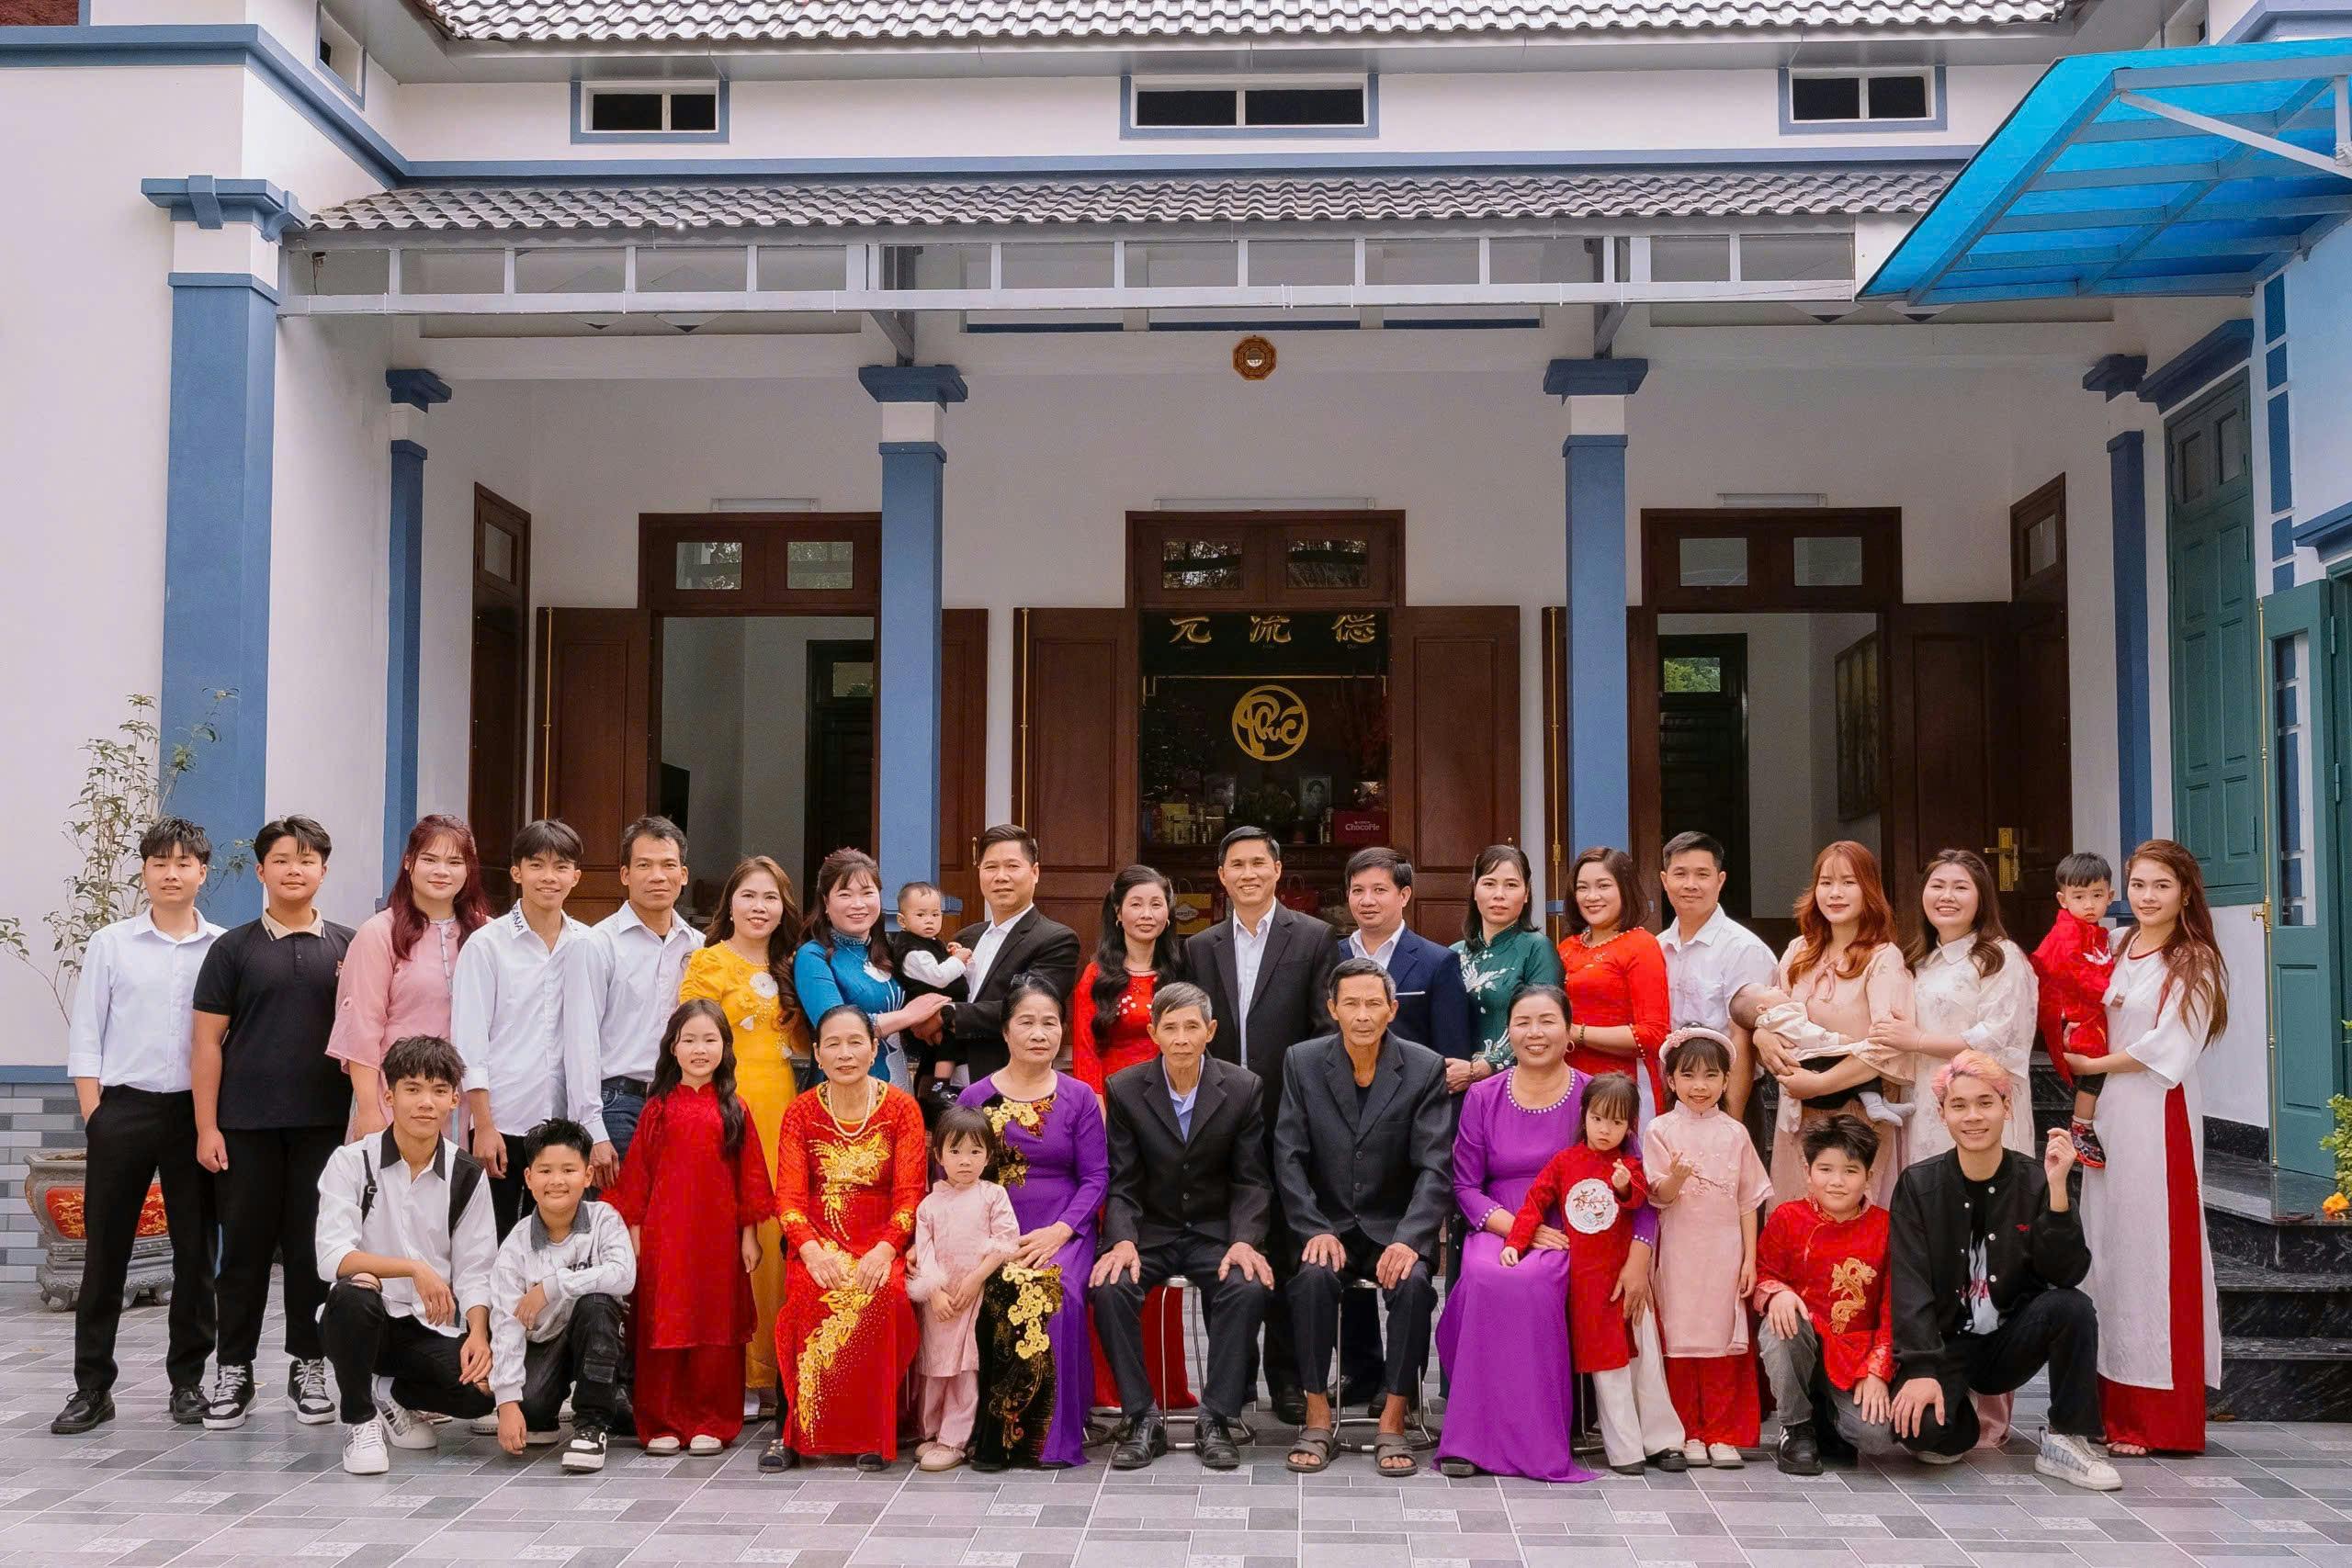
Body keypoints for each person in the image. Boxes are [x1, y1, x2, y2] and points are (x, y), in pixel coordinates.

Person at [1437, 987, 1668, 1483]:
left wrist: (1639, 1255)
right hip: (1502, 1221)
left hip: (1579, 1231)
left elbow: (1639, 1182)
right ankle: (1469, 1438)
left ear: (1568, 1032)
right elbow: (1463, 1185)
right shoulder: (1483, 1095)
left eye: (1547, 1021)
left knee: (1536, 1283)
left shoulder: (1597, 1095)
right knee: (1482, 1276)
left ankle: (1540, 1437)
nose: (1534, 1033)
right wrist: (1516, 1228)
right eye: (1522, 1022)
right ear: (1508, 1031)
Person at [53, 817, 223, 1437]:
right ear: (145, 871)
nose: (171, 873)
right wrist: (96, 1113)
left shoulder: (222, 946)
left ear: (203, 871)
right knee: (106, 1254)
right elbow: (87, 1032)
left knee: (195, 1255)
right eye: (160, 862)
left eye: (183, 862)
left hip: (193, 1115)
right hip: (122, 1110)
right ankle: (92, 1386)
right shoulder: (111, 943)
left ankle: (187, 1383)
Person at [1886, 1052, 2120, 1490]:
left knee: (2071, 1306)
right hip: (1946, 1344)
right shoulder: (1919, 1185)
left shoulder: (2034, 1180)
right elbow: (1909, 1282)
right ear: (1942, 1115)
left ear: (2006, 1107)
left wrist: (2056, 1194)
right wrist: (1919, 1369)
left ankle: (2067, 1439)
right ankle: (1961, 1414)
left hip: (2010, 1339)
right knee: (1927, 1439)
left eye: (1985, 1103)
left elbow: (2066, 1272)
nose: (1973, 1116)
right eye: (1959, 1105)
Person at [192, 814, 356, 1430]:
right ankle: (232, 1367)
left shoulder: (349, 945)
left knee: (316, 1249)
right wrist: (207, 1126)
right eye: (282, 859)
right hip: (245, 1128)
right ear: (261, 870)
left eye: (307, 859)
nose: (295, 869)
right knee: (244, 1255)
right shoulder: (231, 948)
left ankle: (308, 1363)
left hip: (323, 1128)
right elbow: (207, 1043)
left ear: (323, 870)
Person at [1186, 824, 1341, 1423]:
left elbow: (1323, 1029)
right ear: (1221, 877)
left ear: (1278, 871)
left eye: (1259, 863)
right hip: (1220, 1117)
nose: (1248, 873)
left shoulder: (1314, 937)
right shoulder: (1200, 947)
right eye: (1236, 865)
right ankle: (1234, 1380)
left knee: (1283, 1240)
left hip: (1288, 1113)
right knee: (1225, 1241)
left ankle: (1286, 1377)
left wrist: (1305, 1107)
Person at [2075, 840, 2224, 1456]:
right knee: (2104, 1249)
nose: (2147, 896)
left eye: (2162, 884)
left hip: (2155, 1115)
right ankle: (2106, 1407)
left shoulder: (2194, 961)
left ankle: (2157, 1415)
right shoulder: (2112, 946)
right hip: (2105, 1111)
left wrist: (2094, 1061)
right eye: (2138, 884)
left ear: (2186, 891)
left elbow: (2170, 1046)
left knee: (2151, 1253)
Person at [1275, 958, 1452, 1478]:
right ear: (1332, 1009)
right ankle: (1315, 1414)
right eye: (1350, 1003)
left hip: (1394, 1226)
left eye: (1374, 1003)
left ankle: (1394, 1421)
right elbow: (1287, 1155)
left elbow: (1435, 1167)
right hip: (1327, 1223)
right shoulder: (1301, 1062)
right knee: (1309, 1281)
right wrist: (1312, 1228)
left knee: (1417, 1285)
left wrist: (1411, 1238)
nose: (1362, 1014)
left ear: (1392, 1009)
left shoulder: (1422, 1067)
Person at [1090, 981, 1276, 1472]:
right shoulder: (1126, 1089)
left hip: (1215, 1231)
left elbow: (1252, 1180)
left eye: (1191, 1026)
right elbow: (1123, 1181)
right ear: (1153, 1032)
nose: (1180, 1037)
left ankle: (1217, 1416)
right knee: (1109, 1288)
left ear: (1210, 1030)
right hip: (1152, 1231)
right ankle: (1140, 1417)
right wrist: (1123, 1239)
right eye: (1169, 1027)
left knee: (1247, 1286)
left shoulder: (1242, 1087)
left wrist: (1244, 1241)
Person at [312, 1034, 496, 1475]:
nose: (425, 1103)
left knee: (479, 1395)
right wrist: (414, 1269)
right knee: (355, 1294)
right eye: (412, 1089)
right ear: (389, 1095)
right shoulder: (352, 1162)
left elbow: (477, 1267)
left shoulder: (466, 1174)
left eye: (438, 1090)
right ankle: (360, 1419)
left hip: (425, 1327)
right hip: (360, 1321)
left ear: (455, 1098)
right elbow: (331, 1256)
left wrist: (477, 1333)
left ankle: (391, 1393)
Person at [605, 998, 775, 1454]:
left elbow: (751, 1177)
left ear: (725, 1046)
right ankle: (660, 1420)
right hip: (665, 1236)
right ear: (673, 1048)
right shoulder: (657, 1108)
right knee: (664, 1320)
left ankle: (711, 1419)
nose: (700, 1049)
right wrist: (636, 1232)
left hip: (719, 1239)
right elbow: (638, 1173)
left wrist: (750, 1235)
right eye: (690, 1040)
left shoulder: (735, 1109)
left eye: (710, 1039)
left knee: (715, 1322)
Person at [767, 1003, 928, 1472]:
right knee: (806, 1295)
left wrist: (886, 1247)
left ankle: (873, 1433)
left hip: (881, 1239)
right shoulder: (800, 1112)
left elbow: (910, 1194)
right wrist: (810, 1249)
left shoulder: (902, 1109)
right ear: (816, 1054)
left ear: (874, 1048)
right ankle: (796, 1430)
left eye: (855, 1042)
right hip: (819, 1240)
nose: (845, 1053)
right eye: (832, 1044)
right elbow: (790, 1198)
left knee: (886, 1296)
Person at [956, 974, 1108, 1469]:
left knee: (1051, 1292)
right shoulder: (975, 1098)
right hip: (990, 1227)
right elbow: (953, 1173)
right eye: (1027, 1022)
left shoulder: (1080, 1096)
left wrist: (1063, 1230)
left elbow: (1096, 1176)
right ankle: (993, 1436)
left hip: (1063, 1227)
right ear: (1005, 1032)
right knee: (996, 1286)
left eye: (1050, 1023)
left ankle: (1049, 1437)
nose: (1040, 1033)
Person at [1497, 1070, 1680, 1476]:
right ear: (1585, 1115)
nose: (1605, 1129)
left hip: (1627, 1281)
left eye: (1617, 1122)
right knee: (1608, 1367)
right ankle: (1625, 1450)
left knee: (1646, 1357)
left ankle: (1664, 1441)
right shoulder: (1564, 1163)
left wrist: (1621, 1187)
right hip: (1589, 1287)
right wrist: (1515, 1242)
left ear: (1630, 1124)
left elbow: (1639, 1202)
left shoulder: (1630, 1165)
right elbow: (1534, 1202)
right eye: (1598, 1119)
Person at [1069, 863, 1197, 1414]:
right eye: (1136, 904)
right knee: (1117, 1240)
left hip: (1174, 1115)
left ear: (1169, 911)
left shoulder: (1181, 972)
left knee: (1160, 1235)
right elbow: (1083, 1050)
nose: (1147, 915)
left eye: (1156, 904)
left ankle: (1165, 1384)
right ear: (1117, 911)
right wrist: (1097, 1109)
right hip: (1113, 1115)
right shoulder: (1097, 975)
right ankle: (1109, 1387)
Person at [684, 854, 808, 1408]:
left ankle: (772, 1369)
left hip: (784, 1106)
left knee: (777, 1232)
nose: (760, 908)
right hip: (727, 1109)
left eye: (771, 898)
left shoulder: (795, 964)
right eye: (749, 896)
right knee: (727, 1235)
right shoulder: (708, 962)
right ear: (729, 902)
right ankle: (731, 1370)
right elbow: (694, 1039)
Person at [451, 818, 592, 1239]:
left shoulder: (588, 944)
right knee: (492, 1238)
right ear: (517, 872)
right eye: (537, 865)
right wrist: (484, 1123)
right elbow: (469, 1041)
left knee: (553, 1242)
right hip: (504, 1119)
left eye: (561, 866)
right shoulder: (487, 945)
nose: (549, 877)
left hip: (564, 1122)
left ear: (576, 876)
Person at [1758, 841, 1916, 1204]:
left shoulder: (1883, 958)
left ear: (1869, 889)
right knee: (1796, 1208)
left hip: (1854, 1110)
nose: (1835, 893)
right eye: (1826, 882)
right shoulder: (1800, 949)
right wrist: (1761, 1038)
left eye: (1849, 882)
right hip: (1798, 1109)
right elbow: (1774, 1010)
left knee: (1848, 1216)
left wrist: (1819, 1083)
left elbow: (1887, 1044)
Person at [1645, 1028, 1772, 1467]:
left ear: (1725, 1080)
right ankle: (1687, 1432)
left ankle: (1722, 1432)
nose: (1700, 1086)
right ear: (1671, 1080)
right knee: (1681, 1338)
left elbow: (1749, 1200)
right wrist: (1676, 1178)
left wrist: (1749, 1261)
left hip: (1724, 1252)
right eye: (1689, 1075)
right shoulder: (1659, 1130)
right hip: (1679, 1252)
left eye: (1711, 1076)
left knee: (1722, 1339)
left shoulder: (1735, 1133)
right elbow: (1656, 1196)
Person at [328, 815, 493, 1139]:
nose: (441, 871)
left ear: (469, 870)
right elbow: (361, 1027)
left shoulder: (486, 933)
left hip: (464, 1103)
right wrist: (369, 1110)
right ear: (408, 863)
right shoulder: (379, 933)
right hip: (393, 1098)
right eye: (429, 859)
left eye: (454, 861)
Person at [487, 1117, 635, 1474]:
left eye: (568, 1169)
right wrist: (507, 1403)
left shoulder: (603, 1219)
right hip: (544, 1345)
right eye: (545, 1171)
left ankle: (592, 1424)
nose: (557, 1181)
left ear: (587, 1176)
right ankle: (596, 1399)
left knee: (597, 1303)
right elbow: (505, 1322)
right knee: (534, 1416)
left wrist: (552, 1287)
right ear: (529, 1179)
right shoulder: (517, 1244)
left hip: (598, 1338)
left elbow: (624, 1275)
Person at [1753, 1115, 1899, 1475]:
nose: (1837, 1182)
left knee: (1877, 1437)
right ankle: (1797, 1427)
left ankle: (1828, 1418)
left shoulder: (1886, 1227)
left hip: (1855, 1353)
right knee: (1779, 1325)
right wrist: (1777, 1294)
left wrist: (1879, 1369)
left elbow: (1894, 1306)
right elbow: (1763, 1274)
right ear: (1808, 1171)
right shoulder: (1788, 1218)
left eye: (1850, 1171)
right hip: (1801, 1338)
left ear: (1868, 1174)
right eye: (1826, 1169)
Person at [563, 815, 700, 1182]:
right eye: (644, 865)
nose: (658, 876)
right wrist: (593, 1128)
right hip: (617, 1105)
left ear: (683, 875)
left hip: (682, 1102)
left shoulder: (698, 947)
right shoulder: (597, 944)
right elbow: (580, 1040)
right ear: (625, 874)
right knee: (621, 1230)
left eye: (668, 865)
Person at [1882, 850, 2037, 1167]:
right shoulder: (1917, 960)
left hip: (1981, 1104)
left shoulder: (1999, 958)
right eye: (1937, 886)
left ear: (1982, 898)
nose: (1947, 896)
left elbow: (1997, 1040)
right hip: (1926, 1101)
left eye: (1961, 888)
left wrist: (1917, 1041)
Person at [907, 1105, 1020, 1473]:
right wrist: (934, 1292)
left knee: (963, 1368)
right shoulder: (929, 1205)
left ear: (988, 1155)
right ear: (938, 1155)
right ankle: (932, 1430)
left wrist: (976, 1280)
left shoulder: (993, 1196)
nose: (965, 1161)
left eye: (975, 1151)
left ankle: (954, 1439)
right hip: (940, 1299)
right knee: (934, 1367)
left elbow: (1006, 1241)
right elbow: (923, 1251)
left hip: (973, 1296)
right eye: (954, 1151)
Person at [795, 848, 946, 1090]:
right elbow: (837, 1029)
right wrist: (908, 1015)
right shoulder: (813, 955)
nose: (858, 904)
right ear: (826, 902)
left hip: (897, 1088)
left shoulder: (888, 950)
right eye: (845, 894)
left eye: (867, 893)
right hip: (843, 1091)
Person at [943, 825, 1083, 1082]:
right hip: (947, 1084)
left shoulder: (1056, 939)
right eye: (991, 867)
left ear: (1035, 872)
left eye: (1012, 866)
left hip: (1010, 1085)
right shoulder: (965, 938)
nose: (1001, 876)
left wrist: (949, 1014)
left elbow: (1026, 1008)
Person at [1656, 831, 1778, 1125]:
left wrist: (1729, 1126)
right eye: (1680, 874)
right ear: (1664, 880)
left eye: (1702, 874)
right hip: (1673, 1102)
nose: (1690, 884)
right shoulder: (1657, 948)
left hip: (1732, 1099)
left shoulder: (1744, 949)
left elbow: (1743, 1039)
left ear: (1720, 880)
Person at [1556, 846, 1673, 1116]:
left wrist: (1578, 1034)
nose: (1592, 896)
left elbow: (1654, 1035)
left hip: (1624, 1089)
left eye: (1603, 886)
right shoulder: (1566, 948)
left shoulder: (1641, 945)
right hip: (1569, 1084)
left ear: (1625, 888)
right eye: (1582, 887)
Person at [1340, 847, 1473, 1059]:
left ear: (1404, 895)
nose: (1367, 901)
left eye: (1379, 890)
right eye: (1357, 890)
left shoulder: (1438, 962)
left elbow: (1452, 1057)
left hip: (1412, 1089)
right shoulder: (1330, 955)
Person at [1450, 843, 1564, 1084]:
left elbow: (1542, 1024)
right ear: (1475, 889)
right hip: (1455, 1084)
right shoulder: (1453, 954)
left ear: (1526, 893)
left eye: (1511, 885)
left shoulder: (1536, 948)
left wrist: (1481, 1068)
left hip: (1516, 1083)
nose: (1499, 895)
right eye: (1489, 883)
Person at [2032, 852, 2119, 1168]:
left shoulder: (2096, 931)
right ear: (2062, 899)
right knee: (2096, 1068)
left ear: (2110, 895)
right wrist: (2108, 992)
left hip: (2087, 1013)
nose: (2089, 904)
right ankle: (2081, 1125)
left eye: (2097, 895)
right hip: (2075, 1015)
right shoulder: (2069, 931)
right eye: (2079, 897)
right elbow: (2072, 969)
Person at [885, 880, 972, 1113]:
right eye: (921, 914)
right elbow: (939, 976)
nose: (930, 920)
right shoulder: (912, 950)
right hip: (927, 1010)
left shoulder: (929, 943)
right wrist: (959, 959)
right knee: (950, 1040)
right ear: (902, 921)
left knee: (939, 1051)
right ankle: (940, 1086)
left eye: (935, 914)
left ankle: (929, 1090)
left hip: (939, 1008)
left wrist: (950, 953)